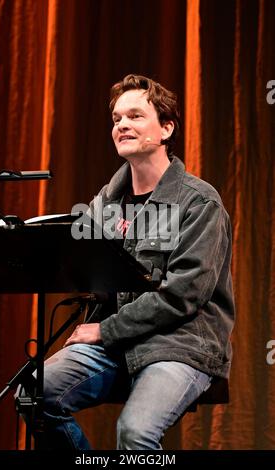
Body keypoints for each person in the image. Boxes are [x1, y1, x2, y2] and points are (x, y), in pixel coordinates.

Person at [40, 74, 235, 450]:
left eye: (134, 116)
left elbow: (182, 295)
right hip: (114, 346)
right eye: (116, 119)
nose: (122, 125)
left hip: (179, 344)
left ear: (166, 128)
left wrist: (105, 330)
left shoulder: (199, 202)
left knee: (135, 433)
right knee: (34, 394)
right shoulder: (104, 204)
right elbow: (88, 274)